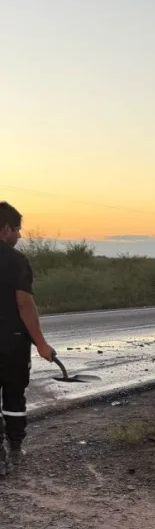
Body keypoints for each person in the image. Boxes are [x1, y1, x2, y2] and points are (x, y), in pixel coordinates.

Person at [0, 202, 55, 476]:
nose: (19, 236)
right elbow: (24, 305)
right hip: (11, 342)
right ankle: (15, 450)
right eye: (18, 230)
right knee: (13, 397)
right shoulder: (16, 261)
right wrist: (41, 343)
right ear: (6, 229)